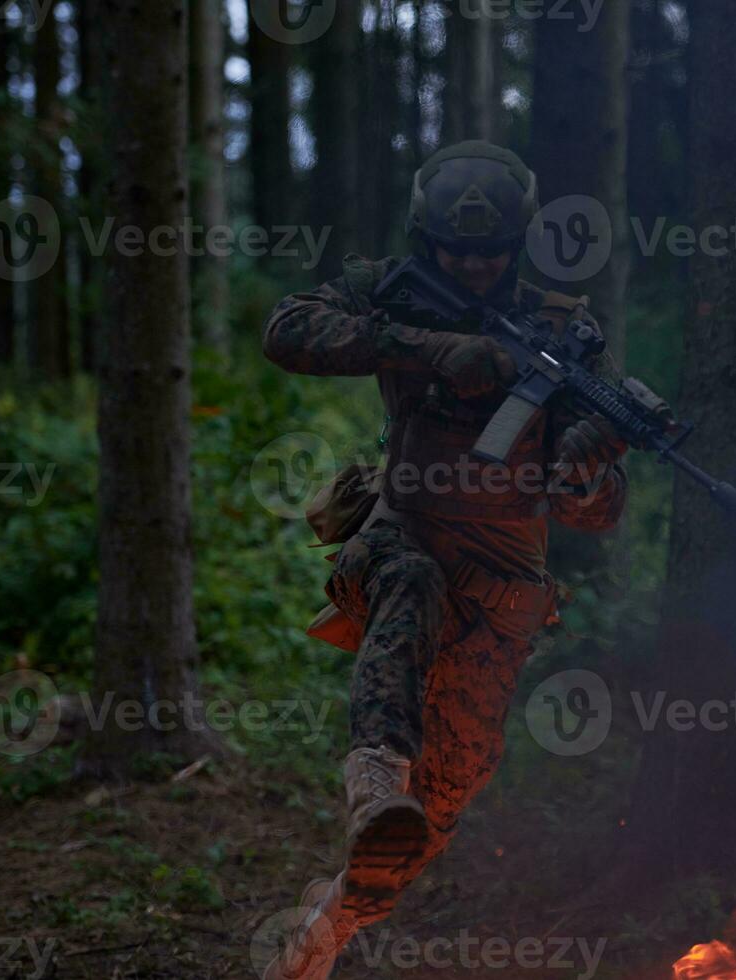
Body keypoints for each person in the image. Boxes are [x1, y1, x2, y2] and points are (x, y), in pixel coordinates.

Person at [260, 140, 628, 979]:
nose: (471, 264)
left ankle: (321, 933)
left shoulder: (563, 334)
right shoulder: (394, 292)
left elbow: (605, 511)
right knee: (411, 586)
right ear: (427, 244)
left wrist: (581, 479)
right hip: (404, 536)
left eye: (489, 250)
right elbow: (287, 329)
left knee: (451, 789)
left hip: (503, 582)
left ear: (518, 246)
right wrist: (425, 349)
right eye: (455, 250)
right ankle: (372, 780)